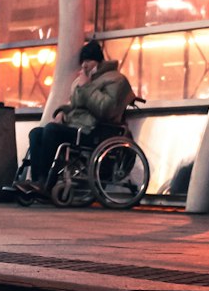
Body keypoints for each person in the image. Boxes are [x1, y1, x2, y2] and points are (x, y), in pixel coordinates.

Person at [24, 39, 136, 193]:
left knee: (51, 130)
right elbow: (74, 105)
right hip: (76, 126)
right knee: (36, 133)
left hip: (94, 130)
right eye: (83, 61)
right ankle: (37, 180)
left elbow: (106, 109)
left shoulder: (116, 80)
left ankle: (45, 182)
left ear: (98, 61)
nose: (84, 65)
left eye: (88, 61)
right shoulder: (85, 79)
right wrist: (62, 111)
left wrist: (87, 87)